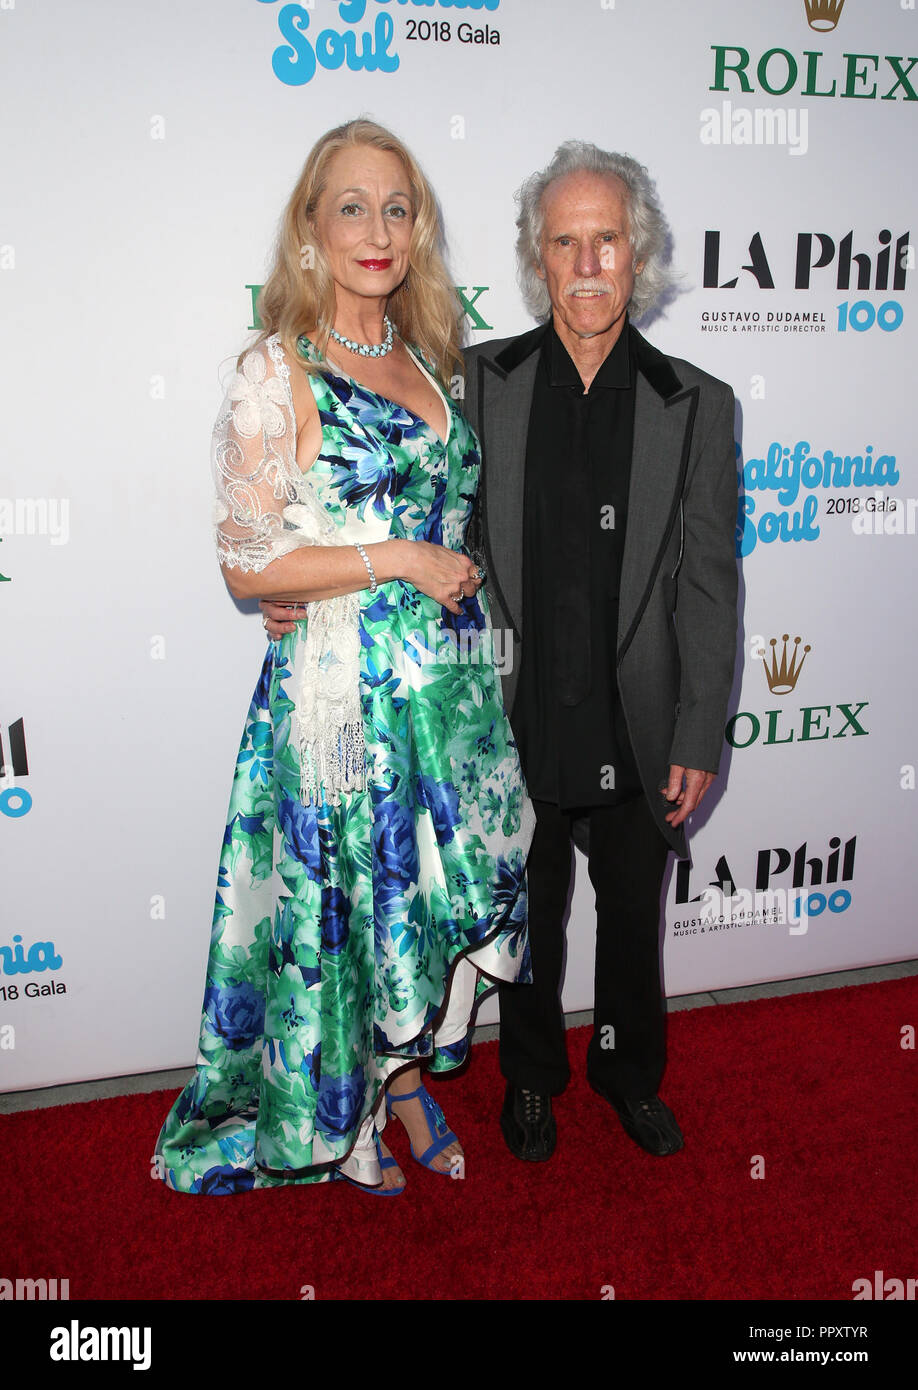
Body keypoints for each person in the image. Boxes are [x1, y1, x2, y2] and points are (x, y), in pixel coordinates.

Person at [154, 119, 533, 1197]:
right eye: (352, 207)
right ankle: (352, 1098)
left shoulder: (424, 356)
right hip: (343, 703)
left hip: (449, 700)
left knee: (420, 904)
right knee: (352, 906)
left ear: (419, 231)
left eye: (397, 207)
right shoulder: (277, 371)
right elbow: (247, 566)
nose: (378, 229)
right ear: (311, 231)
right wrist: (399, 558)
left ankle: (404, 1078)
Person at [451, 142, 738, 1162]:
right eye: (564, 241)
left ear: (638, 251)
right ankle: (529, 1079)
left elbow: (709, 582)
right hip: (516, 716)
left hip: (641, 716)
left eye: (605, 239)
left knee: (630, 927)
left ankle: (625, 1074)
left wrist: (700, 726)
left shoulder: (697, 404)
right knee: (529, 928)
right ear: (538, 256)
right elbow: (440, 539)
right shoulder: (480, 383)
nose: (585, 263)